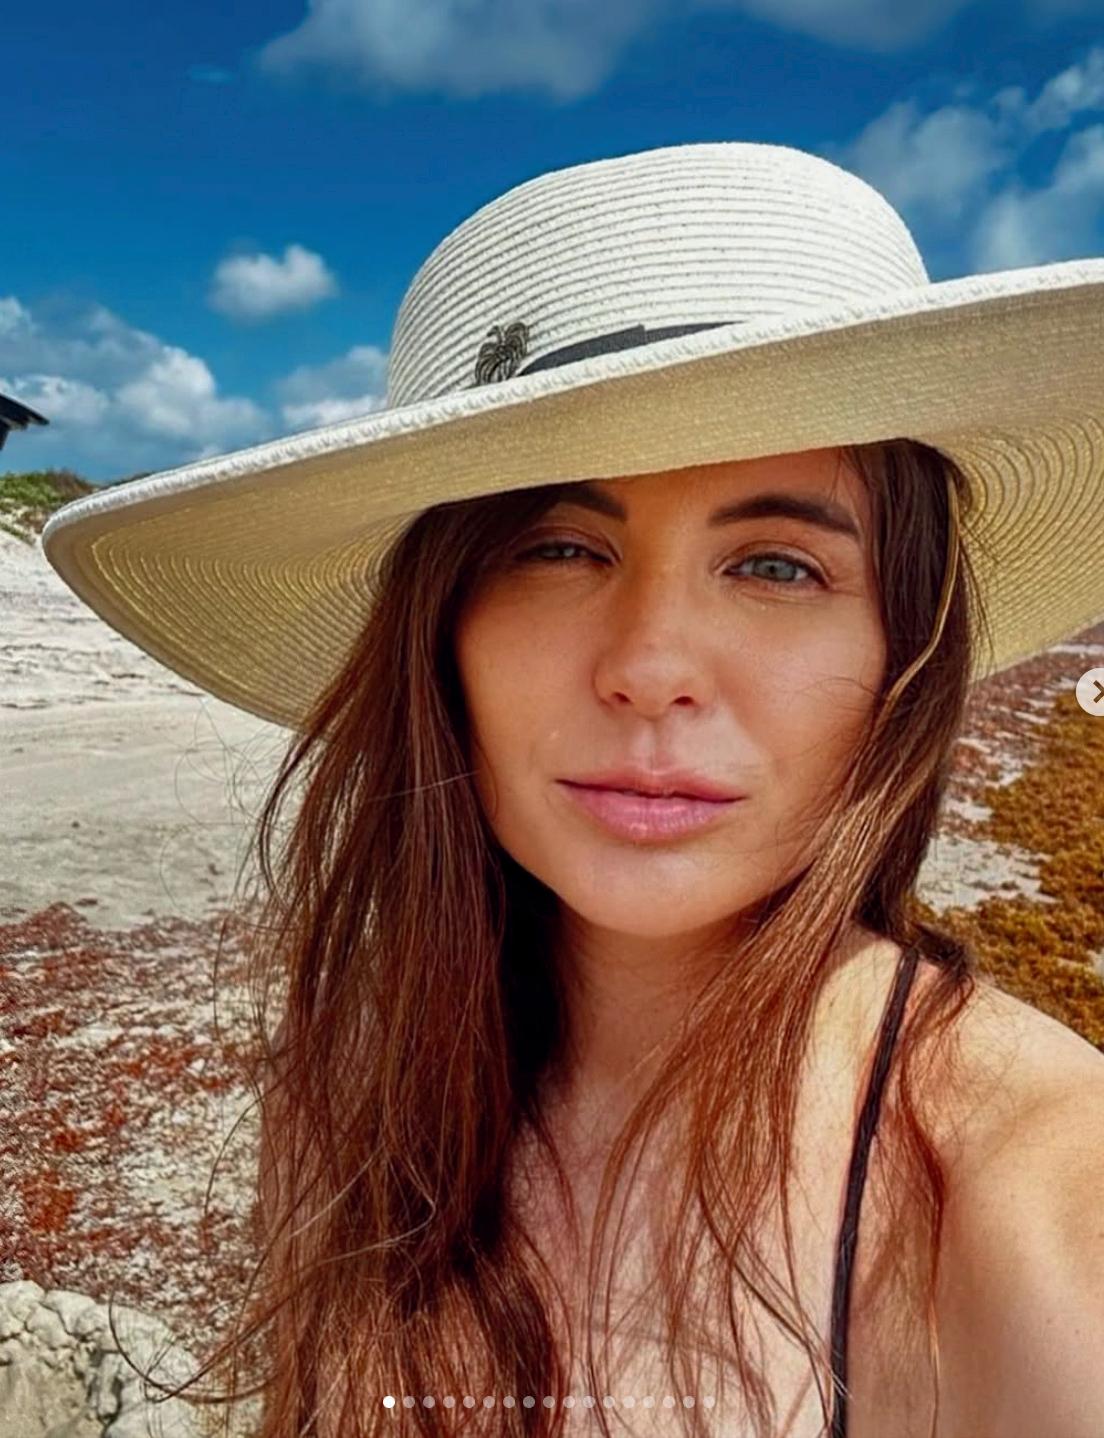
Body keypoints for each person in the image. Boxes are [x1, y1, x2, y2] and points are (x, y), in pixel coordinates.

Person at [42, 141, 1104, 1437]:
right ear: (442, 629)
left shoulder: (1036, 1195)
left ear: (907, 645)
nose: (650, 668)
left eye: (776, 566)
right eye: (557, 547)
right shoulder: (358, 1108)